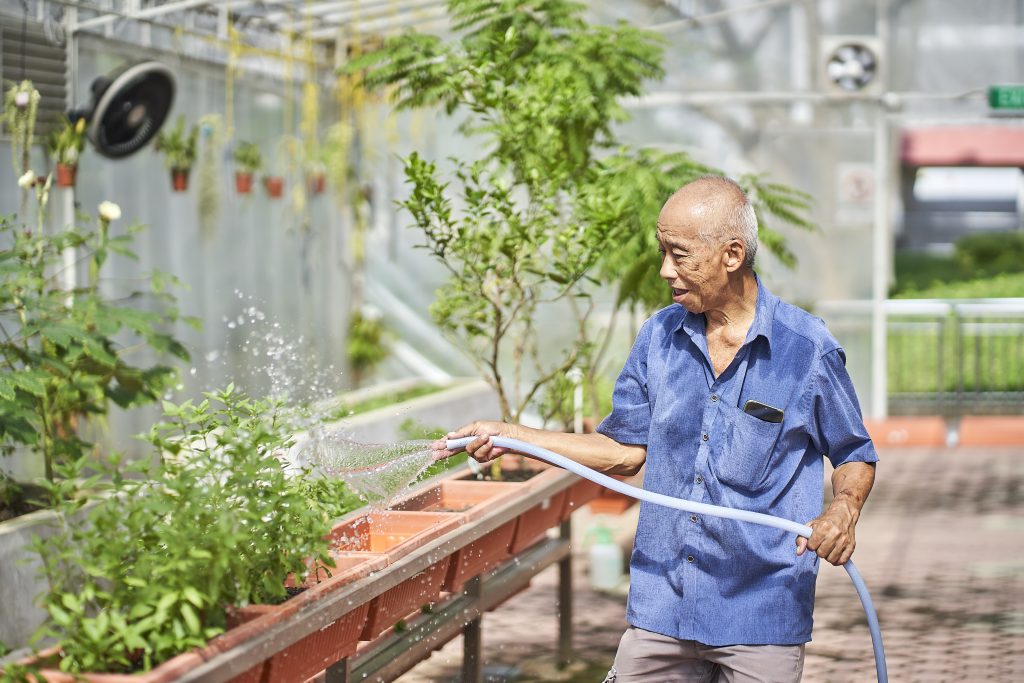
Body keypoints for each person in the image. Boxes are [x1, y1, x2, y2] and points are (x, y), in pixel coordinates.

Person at [432, 175, 878, 682]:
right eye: (662, 251)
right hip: (662, 606)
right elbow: (624, 451)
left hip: (761, 609)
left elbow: (853, 453)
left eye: (679, 254)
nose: (666, 269)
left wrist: (843, 510)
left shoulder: (806, 348)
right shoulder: (659, 337)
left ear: (732, 255)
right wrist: (514, 435)